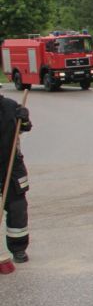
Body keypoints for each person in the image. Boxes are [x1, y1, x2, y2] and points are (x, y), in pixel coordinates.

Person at [0, 90, 32, 264]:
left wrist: (23, 118)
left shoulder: (10, 107)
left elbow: (25, 126)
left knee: (17, 208)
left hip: (11, 166)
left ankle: (18, 248)